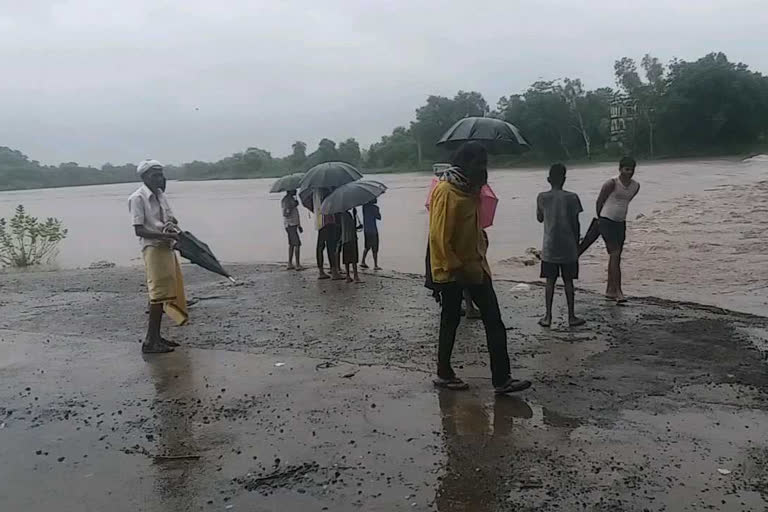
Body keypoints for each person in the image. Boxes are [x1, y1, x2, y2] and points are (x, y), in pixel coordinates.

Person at [428, 141, 531, 394]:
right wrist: (454, 266)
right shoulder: (446, 191)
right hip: (453, 270)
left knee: (494, 321)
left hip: (476, 266)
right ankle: (444, 373)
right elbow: (439, 237)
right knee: (450, 321)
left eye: (486, 163)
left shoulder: (472, 191)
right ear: (466, 163)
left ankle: (502, 379)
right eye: (479, 163)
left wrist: (481, 239)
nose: (484, 168)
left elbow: (472, 228)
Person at [129, 160, 188, 354]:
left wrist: (171, 227)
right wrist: (164, 235)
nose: (159, 178)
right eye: (154, 175)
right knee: (157, 294)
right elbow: (139, 230)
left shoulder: (160, 195)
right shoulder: (137, 198)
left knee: (165, 292)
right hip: (153, 248)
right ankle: (149, 341)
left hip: (166, 246)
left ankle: (156, 337)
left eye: (161, 174)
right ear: (144, 177)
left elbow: (170, 219)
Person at [536, 163, 585, 327]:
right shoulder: (572, 197)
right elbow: (575, 223)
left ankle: (548, 316)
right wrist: (577, 244)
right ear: (564, 179)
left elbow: (540, 218)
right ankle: (571, 316)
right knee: (568, 281)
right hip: (568, 246)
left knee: (550, 282)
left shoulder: (542, 197)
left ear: (548, 179)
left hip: (550, 247)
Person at [596, 157, 640, 303]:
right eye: (626, 169)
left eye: (632, 169)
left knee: (616, 256)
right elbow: (600, 201)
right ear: (620, 169)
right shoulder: (611, 183)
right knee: (614, 254)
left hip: (620, 222)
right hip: (606, 220)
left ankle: (610, 290)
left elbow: (625, 201)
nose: (629, 172)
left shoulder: (635, 186)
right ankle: (619, 292)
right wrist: (600, 219)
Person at [314, 188, 343, 280]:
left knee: (320, 246)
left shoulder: (315, 192)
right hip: (328, 221)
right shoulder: (324, 191)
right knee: (331, 246)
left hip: (319, 221)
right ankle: (334, 271)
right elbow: (329, 205)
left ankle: (321, 270)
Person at [281, 190, 303, 270]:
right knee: (297, 244)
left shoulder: (291, 199)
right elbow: (286, 213)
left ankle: (290, 263)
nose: (296, 191)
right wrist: (293, 206)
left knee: (292, 244)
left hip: (293, 224)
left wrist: (299, 225)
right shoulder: (287, 200)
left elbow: (295, 214)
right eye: (294, 189)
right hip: (290, 225)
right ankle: (297, 264)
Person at [340, 209, 362, 283]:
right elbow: (352, 227)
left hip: (344, 239)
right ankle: (355, 276)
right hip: (351, 238)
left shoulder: (341, 215)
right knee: (353, 259)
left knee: (346, 259)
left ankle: (348, 276)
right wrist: (355, 216)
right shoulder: (347, 215)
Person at [361, 199, 382, 270]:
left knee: (367, 246)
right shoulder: (375, 208)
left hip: (366, 230)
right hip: (373, 230)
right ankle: (375, 265)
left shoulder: (364, 207)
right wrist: (376, 211)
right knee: (375, 247)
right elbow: (379, 217)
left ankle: (363, 261)